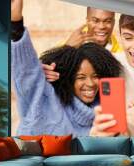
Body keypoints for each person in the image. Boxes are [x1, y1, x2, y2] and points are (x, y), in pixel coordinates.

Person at [11, 0, 122, 137]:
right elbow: (28, 72)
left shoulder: (108, 104)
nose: (90, 83)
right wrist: (16, 26)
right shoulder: (48, 98)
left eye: (95, 76)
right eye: (81, 77)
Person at [43, 7, 122, 82]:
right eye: (95, 21)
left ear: (114, 22)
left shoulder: (121, 54)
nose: (101, 26)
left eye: (107, 21)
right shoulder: (67, 46)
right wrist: (67, 48)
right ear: (87, 21)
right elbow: (44, 69)